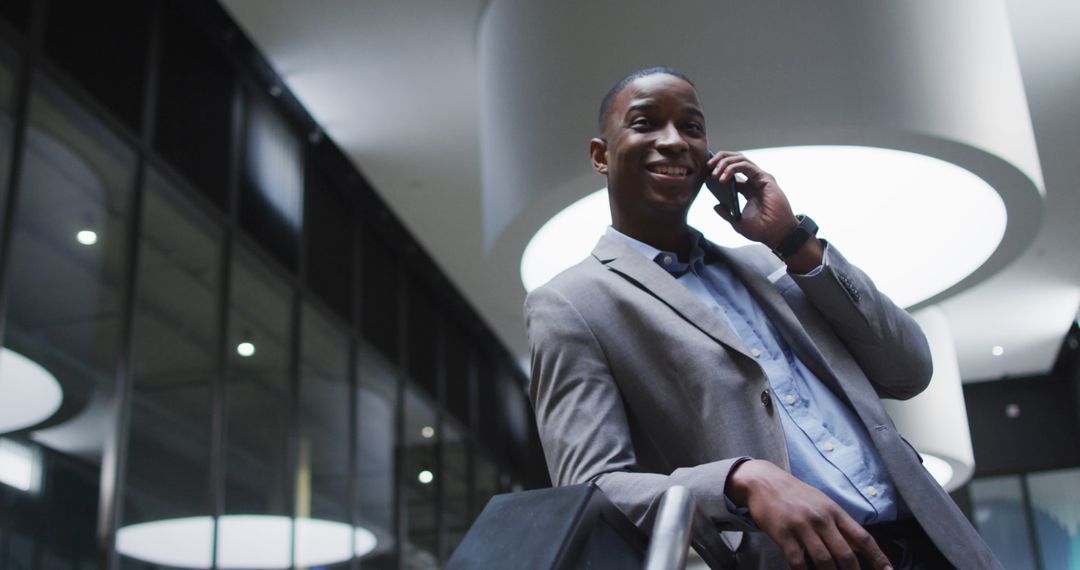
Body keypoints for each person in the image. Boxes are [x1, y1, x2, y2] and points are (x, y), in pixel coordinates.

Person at [524, 66, 1001, 569]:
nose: (674, 142)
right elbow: (591, 486)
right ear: (601, 155)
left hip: (936, 546)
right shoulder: (570, 302)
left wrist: (793, 239)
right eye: (645, 123)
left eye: (691, 127)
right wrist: (738, 480)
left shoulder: (772, 260)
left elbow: (909, 371)